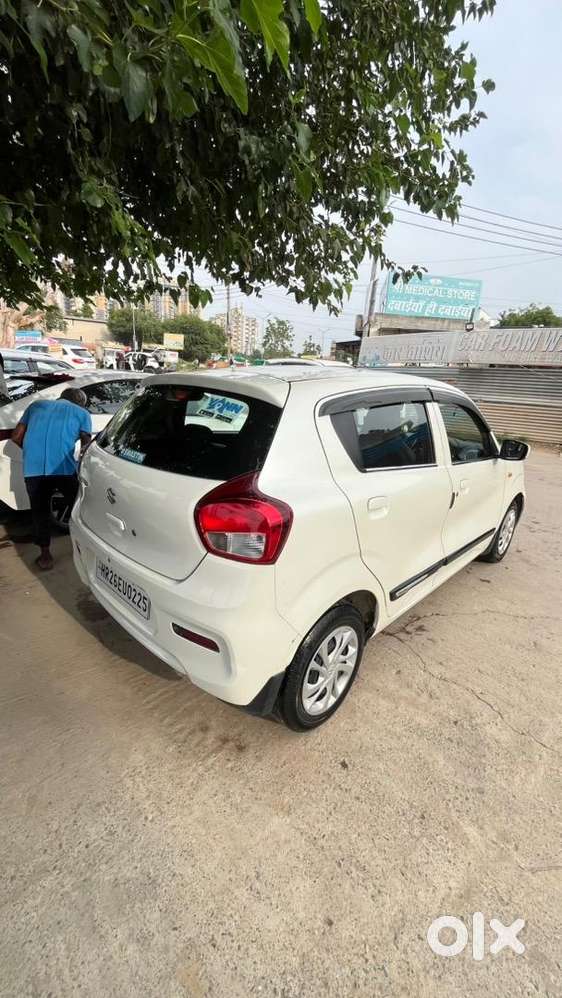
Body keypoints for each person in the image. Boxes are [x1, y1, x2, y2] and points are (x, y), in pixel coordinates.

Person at [11, 387, 92, 570]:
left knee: (39, 512)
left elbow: (16, 436)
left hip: (33, 469)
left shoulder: (36, 406)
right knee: (78, 509)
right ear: (79, 403)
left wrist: (32, 452)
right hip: (63, 468)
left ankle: (45, 556)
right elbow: (86, 444)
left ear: (60, 397)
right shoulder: (82, 413)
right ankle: (83, 550)